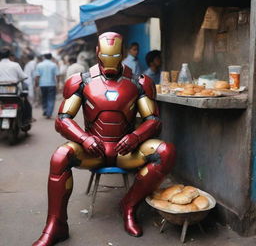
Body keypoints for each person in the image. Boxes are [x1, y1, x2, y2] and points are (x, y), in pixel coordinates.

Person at [33, 32, 176, 246]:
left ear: (122, 54)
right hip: (93, 150)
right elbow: (62, 119)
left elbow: (154, 120)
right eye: (106, 56)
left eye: (115, 56)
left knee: (166, 152)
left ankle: (129, 205)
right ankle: (56, 225)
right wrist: (84, 139)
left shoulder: (139, 82)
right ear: (98, 52)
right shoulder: (81, 81)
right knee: (60, 156)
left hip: (125, 151)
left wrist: (135, 137)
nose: (110, 64)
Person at [0, 47, 32, 123]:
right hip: (14, 94)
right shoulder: (15, 65)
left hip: (1, 95)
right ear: (9, 56)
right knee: (25, 104)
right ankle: (25, 121)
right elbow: (24, 77)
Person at [35, 53, 60, 119]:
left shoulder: (39, 65)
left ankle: (45, 110)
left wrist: (36, 83)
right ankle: (49, 113)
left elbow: (37, 76)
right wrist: (57, 83)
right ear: (51, 57)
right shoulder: (54, 65)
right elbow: (57, 75)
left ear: (44, 57)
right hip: (52, 84)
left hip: (42, 84)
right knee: (51, 99)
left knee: (44, 98)